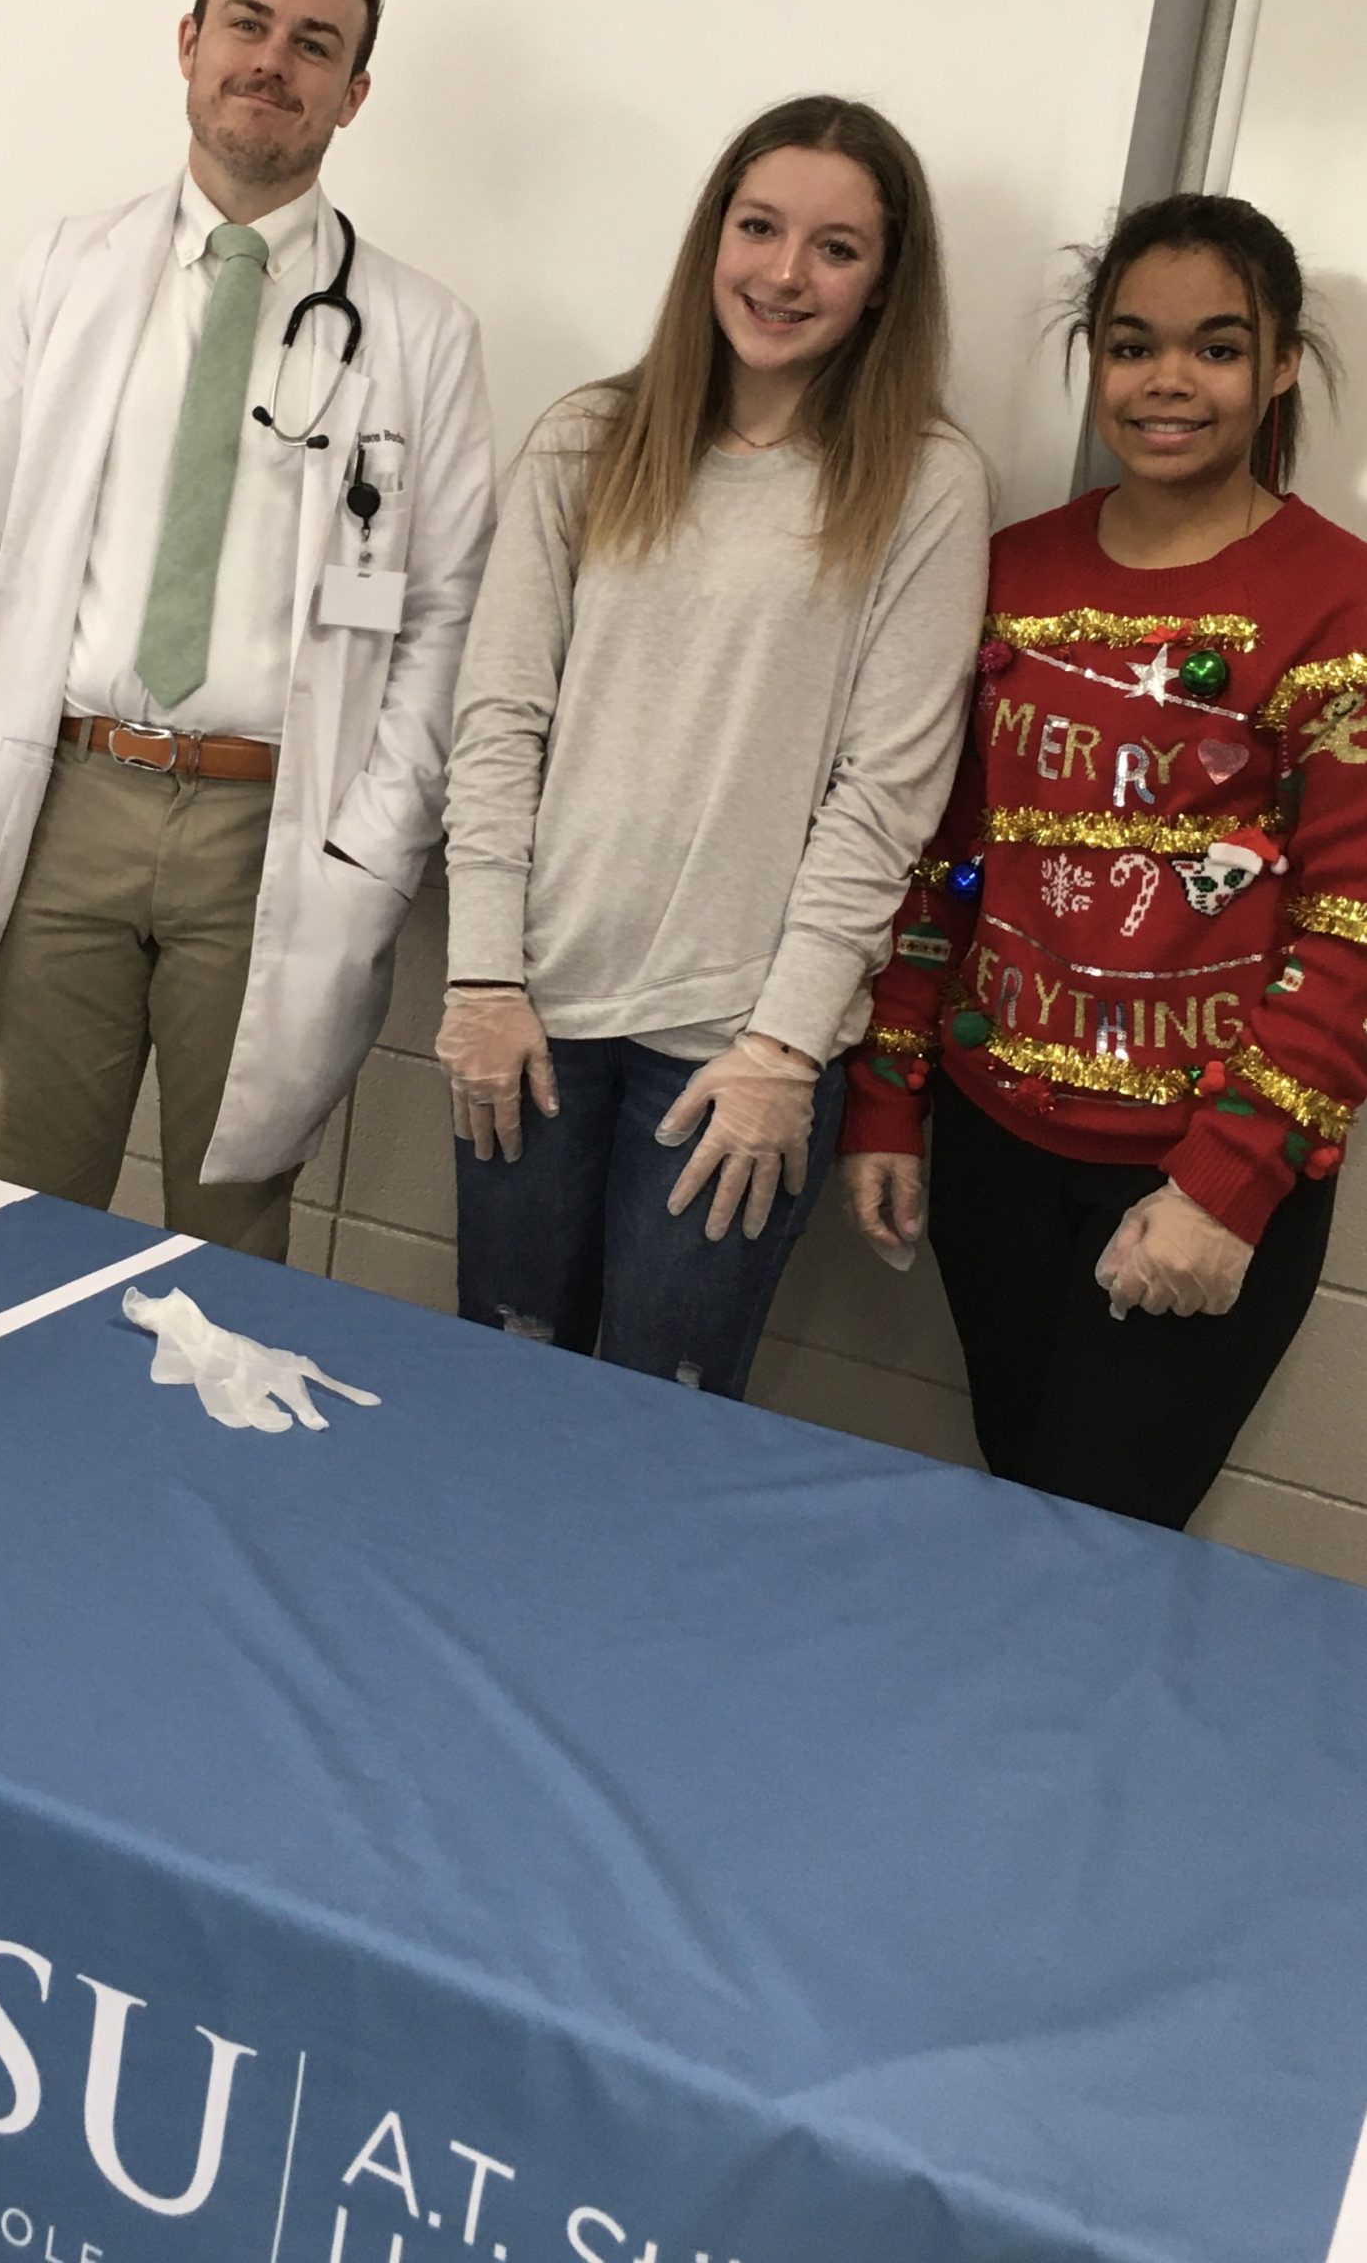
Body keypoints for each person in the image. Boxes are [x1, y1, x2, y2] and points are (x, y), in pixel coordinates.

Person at [0, 0, 494, 1259]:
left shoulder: (420, 332)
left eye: (314, 43)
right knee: (28, 1214)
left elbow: (442, 611)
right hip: (70, 803)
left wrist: (373, 836)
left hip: (267, 827)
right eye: (247, 25)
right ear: (189, 45)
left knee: (228, 1241)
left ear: (353, 91)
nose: (272, 61)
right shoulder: (64, 269)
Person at [437, 94, 989, 1396]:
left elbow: (884, 801)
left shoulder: (923, 482)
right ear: (712, 238)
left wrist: (784, 1053)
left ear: (882, 282)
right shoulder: (586, 440)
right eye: (758, 227)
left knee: (656, 1423)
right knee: (494, 1386)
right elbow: (498, 720)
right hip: (530, 1016)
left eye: (835, 247)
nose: (784, 274)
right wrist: (475, 979)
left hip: (729, 1057)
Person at [840, 193, 1361, 1529]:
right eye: (1130, 345)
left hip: (1197, 1170)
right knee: (1023, 1514)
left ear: (1282, 362)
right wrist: (889, 1097)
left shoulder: (1337, 599)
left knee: (1094, 1546)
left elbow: (1349, 928)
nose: (1165, 382)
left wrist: (1221, 1185)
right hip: (997, 1156)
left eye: (1215, 346)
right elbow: (941, 859)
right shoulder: (1006, 570)